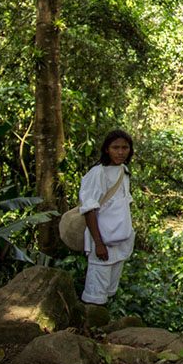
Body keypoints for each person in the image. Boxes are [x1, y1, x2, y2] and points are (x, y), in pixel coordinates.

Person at [79, 129, 136, 305]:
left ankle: (103, 329)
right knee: (95, 294)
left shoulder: (123, 171)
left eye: (124, 148)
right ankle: (89, 328)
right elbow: (89, 209)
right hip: (103, 242)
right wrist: (99, 243)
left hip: (120, 241)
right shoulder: (98, 173)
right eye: (115, 147)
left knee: (109, 291)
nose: (120, 152)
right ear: (106, 149)